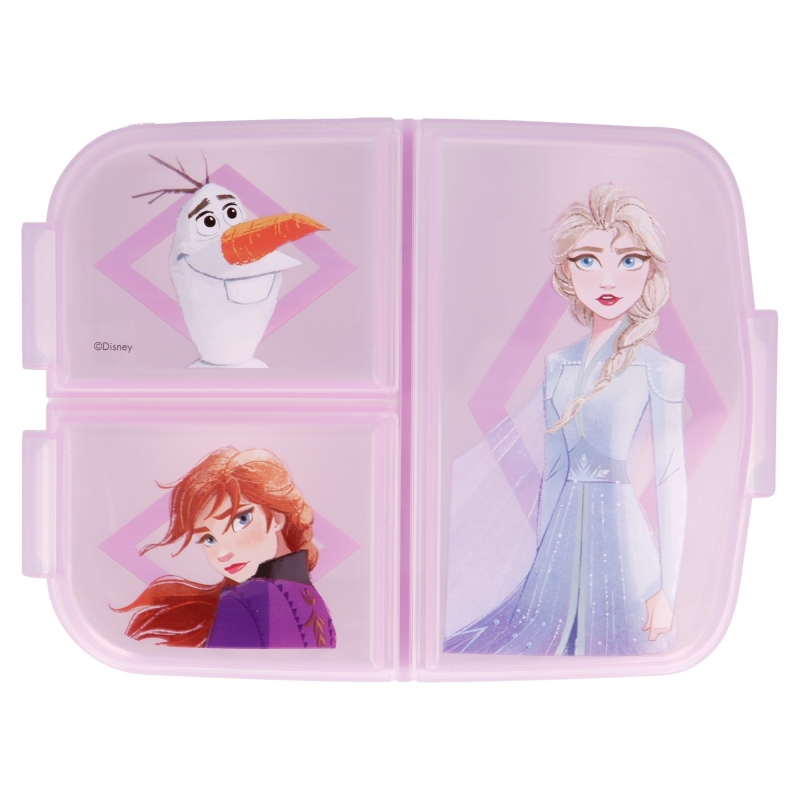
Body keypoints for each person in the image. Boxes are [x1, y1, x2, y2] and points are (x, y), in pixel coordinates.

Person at [444, 185, 686, 656]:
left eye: (629, 260)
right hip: (560, 536)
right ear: (567, 272)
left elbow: (671, 476)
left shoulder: (659, 371)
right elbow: (555, 471)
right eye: (588, 261)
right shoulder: (558, 365)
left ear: (650, 269)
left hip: (623, 536)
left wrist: (668, 591)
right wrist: (540, 561)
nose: (608, 279)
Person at [117, 447, 336, 649]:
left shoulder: (242, 601)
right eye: (209, 539)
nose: (223, 553)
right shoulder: (313, 600)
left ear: (277, 518)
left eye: (240, 521)